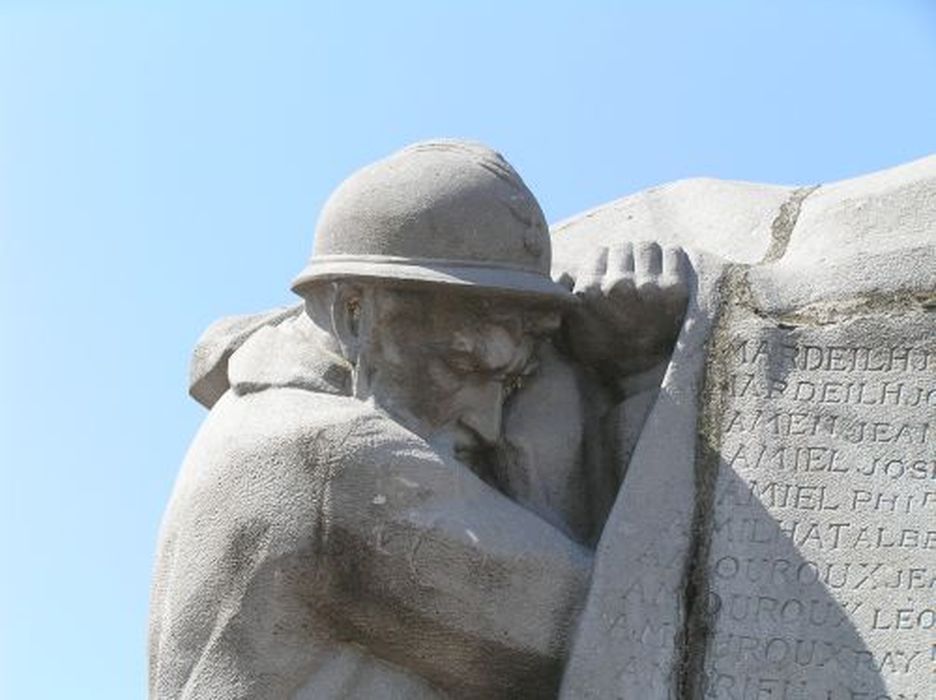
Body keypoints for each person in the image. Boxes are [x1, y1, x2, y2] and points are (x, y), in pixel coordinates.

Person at [149, 141, 688, 699]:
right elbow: (625, 636)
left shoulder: (263, 415)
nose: (488, 424)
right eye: (464, 364)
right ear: (355, 313)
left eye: (511, 382)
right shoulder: (335, 459)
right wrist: (640, 379)